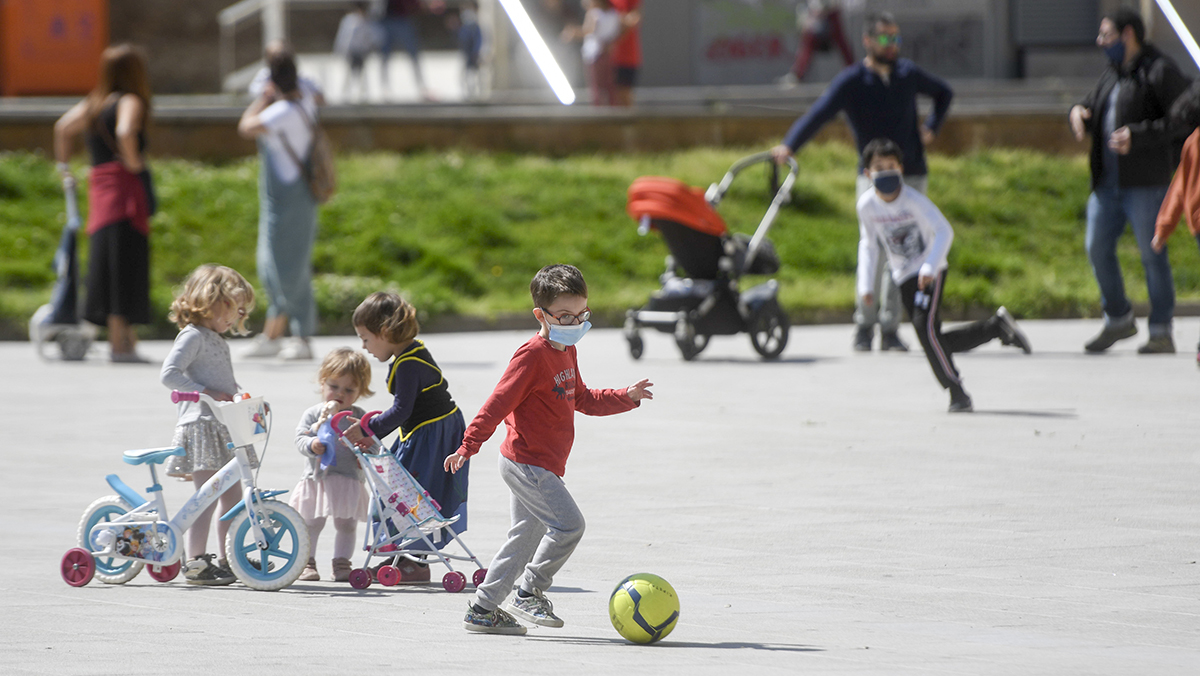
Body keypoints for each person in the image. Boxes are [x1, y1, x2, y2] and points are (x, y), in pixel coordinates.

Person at [445, 264, 653, 635]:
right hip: (528, 463)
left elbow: (584, 399)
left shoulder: (566, 351)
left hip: (542, 464)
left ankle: (482, 609)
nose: (574, 323)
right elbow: (497, 403)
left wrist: (627, 396)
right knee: (570, 525)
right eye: (565, 316)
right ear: (541, 315)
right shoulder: (532, 356)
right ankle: (529, 591)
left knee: (523, 540)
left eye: (581, 315)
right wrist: (468, 446)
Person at [772, 11, 953, 353]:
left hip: (911, 173)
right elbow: (819, 113)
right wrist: (789, 145)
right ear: (868, 41)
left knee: (905, 252)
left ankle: (890, 328)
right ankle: (864, 325)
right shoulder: (852, 80)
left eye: (896, 38)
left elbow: (944, 93)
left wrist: (931, 127)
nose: (893, 45)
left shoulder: (907, 73)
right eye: (886, 38)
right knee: (873, 248)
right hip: (871, 180)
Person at [856, 139, 1032, 413]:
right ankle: (996, 327)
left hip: (930, 270)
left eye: (891, 166)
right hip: (902, 276)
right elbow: (868, 244)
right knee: (934, 338)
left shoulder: (914, 201)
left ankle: (957, 391)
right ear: (867, 173)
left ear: (901, 169)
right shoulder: (866, 206)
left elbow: (944, 231)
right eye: (879, 167)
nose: (886, 172)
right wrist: (866, 285)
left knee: (923, 329)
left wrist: (929, 268)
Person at [1068, 8, 1191, 355]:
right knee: (1096, 247)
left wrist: (1139, 137)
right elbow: (1091, 107)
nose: (1099, 41)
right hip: (1108, 184)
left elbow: (1183, 120)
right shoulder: (1112, 73)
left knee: (1152, 255)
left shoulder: (1159, 70)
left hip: (1146, 183)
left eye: (1105, 34)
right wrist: (1076, 112)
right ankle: (1118, 318)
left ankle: (1161, 330)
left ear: (1127, 35)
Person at [343, 292, 468, 584]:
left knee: (413, 491)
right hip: (429, 429)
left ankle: (416, 561)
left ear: (385, 332)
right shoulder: (410, 353)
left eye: (365, 338)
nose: (364, 347)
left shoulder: (409, 363)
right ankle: (407, 556)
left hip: (432, 434)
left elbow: (401, 410)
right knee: (408, 491)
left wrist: (367, 429)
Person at [53, 44, 154, 363]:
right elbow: (125, 131)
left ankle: (124, 340)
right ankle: (119, 344)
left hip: (100, 191)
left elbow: (62, 128)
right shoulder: (130, 101)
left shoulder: (94, 103)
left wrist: (65, 168)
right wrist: (135, 162)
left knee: (107, 261)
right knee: (126, 262)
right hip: (124, 189)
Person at [159, 264, 257, 585]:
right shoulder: (193, 336)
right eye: (231, 307)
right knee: (206, 496)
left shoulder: (216, 338)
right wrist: (206, 393)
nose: (234, 316)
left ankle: (229, 558)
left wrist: (235, 393)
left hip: (223, 423)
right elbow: (170, 374)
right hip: (201, 424)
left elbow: (219, 379)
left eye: (239, 310)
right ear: (208, 300)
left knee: (232, 497)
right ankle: (197, 561)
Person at [238, 46, 321, 361]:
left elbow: (245, 126)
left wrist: (263, 97)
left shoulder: (283, 111)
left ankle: (302, 336)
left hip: (293, 200)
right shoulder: (305, 102)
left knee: (291, 269)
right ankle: (273, 333)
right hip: (278, 200)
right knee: (271, 266)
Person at [290, 348, 374, 582]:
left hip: (348, 478)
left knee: (346, 524)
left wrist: (365, 448)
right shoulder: (313, 414)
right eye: (334, 387)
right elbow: (300, 438)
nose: (339, 394)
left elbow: (374, 443)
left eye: (349, 390)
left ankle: (341, 562)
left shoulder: (358, 417)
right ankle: (306, 561)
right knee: (312, 523)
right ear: (322, 383)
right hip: (318, 479)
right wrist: (312, 443)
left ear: (360, 392)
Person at [1152, 81, 1200, 366]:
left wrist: (1164, 227)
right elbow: (1180, 186)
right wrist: (1163, 226)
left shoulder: (1192, 141)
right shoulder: (1194, 143)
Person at [563, 0, 622, 106]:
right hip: (607, 55)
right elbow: (615, 33)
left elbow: (588, 30)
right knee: (608, 85)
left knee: (596, 87)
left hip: (594, 56)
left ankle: (598, 111)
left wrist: (573, 33)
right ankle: (611, 110)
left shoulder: (594, 14)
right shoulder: (614, 14)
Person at [789, 0, 854, 83]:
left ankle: (853, 69)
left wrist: (822, 8)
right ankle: (798, 74)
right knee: (809, 41)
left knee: (841, 42)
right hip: (819, 13)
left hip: (829, 11)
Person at [378, 0, 432, 101]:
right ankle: (385, 88)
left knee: (413, 55)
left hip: (402, 19)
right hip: (387, 19)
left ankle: (422, 86)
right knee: (385, 56)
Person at [334, 2, 378, 103]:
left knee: (362, 74)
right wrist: (340, 50)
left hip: (361, 52)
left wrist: (369, 49)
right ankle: (345, 94)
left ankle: (363, 94)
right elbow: (343, 37)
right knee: (348, 74)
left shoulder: (368, 22)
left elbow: (372, 37)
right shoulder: (349, 20)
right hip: (350, 51)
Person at [609, 0, 641, 107]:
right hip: (607, 58)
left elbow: (634, 18)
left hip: (627, 56)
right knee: (610, 96)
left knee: (624, 94)